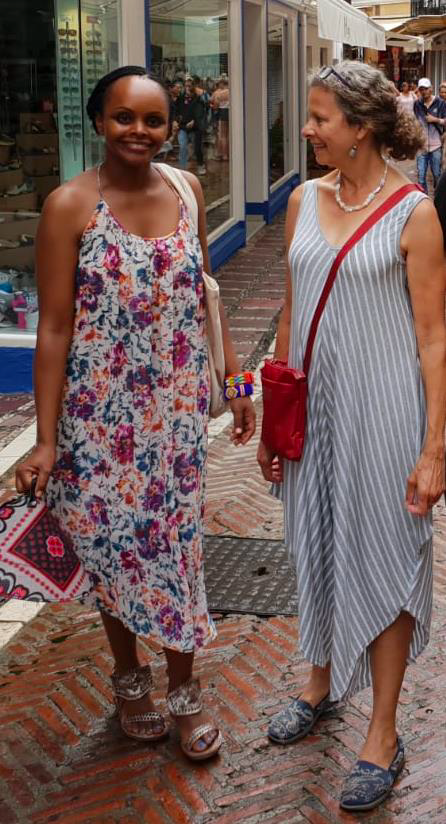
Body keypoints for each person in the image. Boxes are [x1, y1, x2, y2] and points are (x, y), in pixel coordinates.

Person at [15, 65, 256, 761]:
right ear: (97, 121)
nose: (139, 132)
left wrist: (237, 386)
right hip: (97, 422)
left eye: (153, 120)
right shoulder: (69, 206)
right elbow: (55, 329)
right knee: (111, 555)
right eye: (124, 118)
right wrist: (46, 440)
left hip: (174, 421)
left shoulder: (187, 189)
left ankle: (185, 694)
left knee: (177, 556)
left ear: (171, 127)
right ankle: (130, 685)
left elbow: (206, 295)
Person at [257, 61, 446, 812]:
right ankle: (321, 681)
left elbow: (435, 340)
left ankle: (384, 733)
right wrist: (271, 408)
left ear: (360, 128)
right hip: (317, 409)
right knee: (314, 538)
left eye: (319, 117)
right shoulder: (303, 200)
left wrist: (435, 448)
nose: (306, 129)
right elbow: (292, 311)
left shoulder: (414, 213)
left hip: (386, 409)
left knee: (389, 555)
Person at [413, 77, 446, 193]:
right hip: (421, 146)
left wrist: (435, 119)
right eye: (421, 89)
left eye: (425, 89)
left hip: (436, 146)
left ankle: (438, 198)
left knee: (437, 175)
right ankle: (425, 199)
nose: (423, 91)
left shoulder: (440, 103)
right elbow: (415, 121)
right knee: (421, 178)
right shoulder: (417, 104)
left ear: (431, 89)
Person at [173, 77, 207, 175]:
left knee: (197, 148)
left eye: (189, 85)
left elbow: (200, 113)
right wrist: (175, 121)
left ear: (194, 86)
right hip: (183, 127)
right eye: (186, 85)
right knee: (183, 147)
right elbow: (176, 110)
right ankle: (183, 169)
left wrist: (194, 121)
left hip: (195, 128)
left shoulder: (198, 98)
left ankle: (200, 165)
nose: (187, 87)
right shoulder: (181, 98)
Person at [211, 78, 230, 161]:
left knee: (223, 135)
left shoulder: (219, 93)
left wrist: (213, 107)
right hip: (231, 112)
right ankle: (229, 153)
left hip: (222, 112)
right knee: (229, 135)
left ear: (222, 84)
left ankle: (223, 154)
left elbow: (215, 105)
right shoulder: (232, 91)